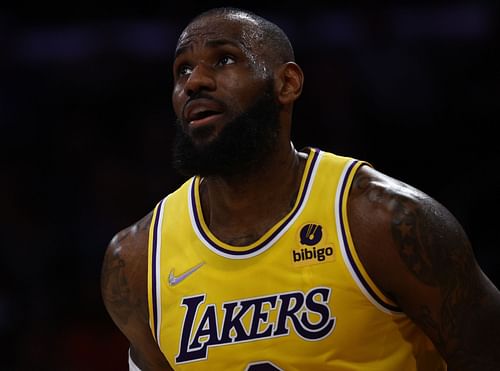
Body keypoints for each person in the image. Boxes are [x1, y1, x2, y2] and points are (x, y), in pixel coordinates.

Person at [100, 7, 500, 371]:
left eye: (224, 59)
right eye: (182, 70)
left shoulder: (384, 221)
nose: (195, 82)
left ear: (287, 83)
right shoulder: (136, 261)